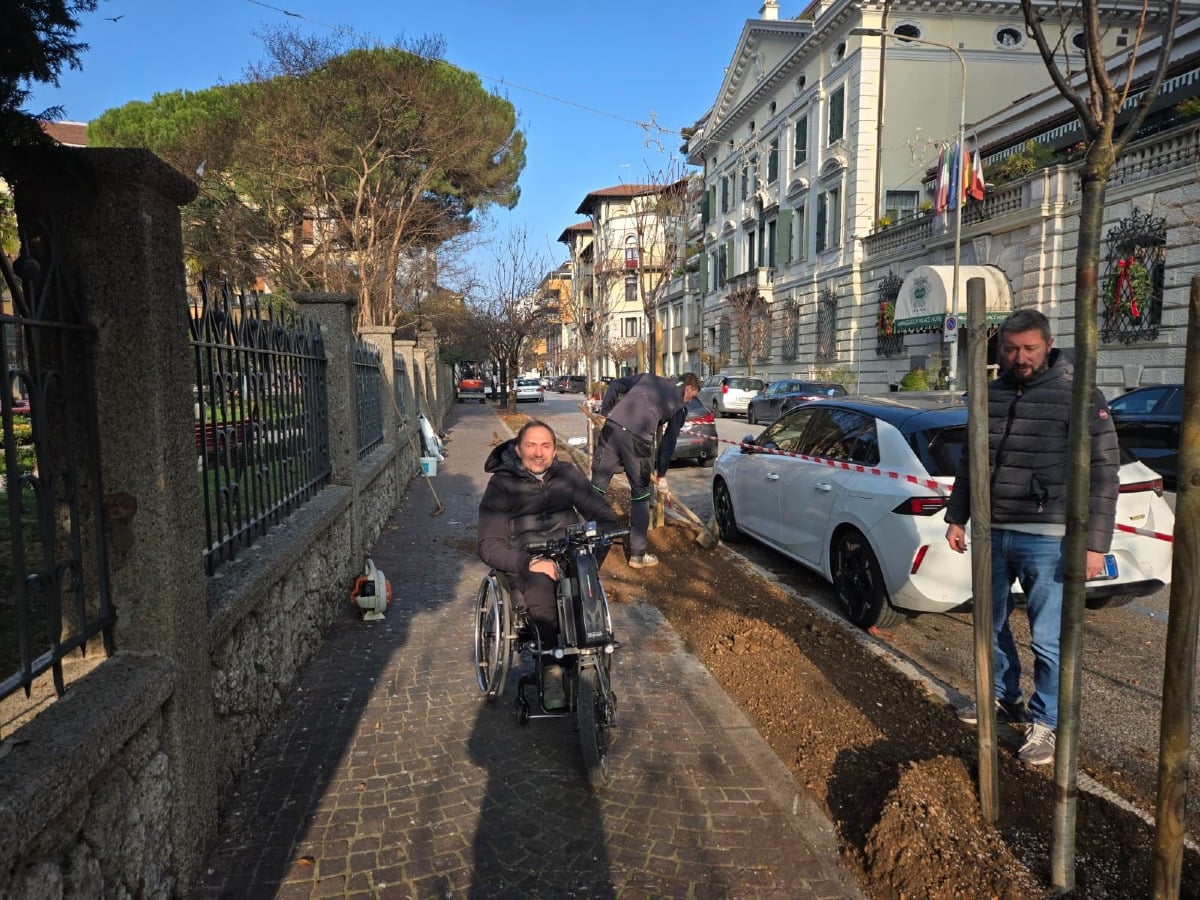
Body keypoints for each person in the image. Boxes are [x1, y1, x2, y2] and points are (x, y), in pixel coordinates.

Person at [944, 308, 1119, 766]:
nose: (1019, 357)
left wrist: (1096, 544)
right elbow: (971, 460)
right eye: (1011, 348)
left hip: (1050, 537)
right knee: (991, 622)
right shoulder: (990, 393)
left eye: (1029, 349)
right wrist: (957, 516)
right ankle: (1002, 697)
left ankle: (1047, 722)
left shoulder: (1077, 394)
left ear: (1047, 345)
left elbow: (1103, 471)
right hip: (991, 529)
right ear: (999, 348)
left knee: (1048, 637)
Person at [478, 420, 617, 708]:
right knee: (542, 588)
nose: (538, 453)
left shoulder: (566, 475)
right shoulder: (502, 484)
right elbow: (489, 544)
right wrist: (528, 562)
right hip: (526, 561)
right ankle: (551, 666)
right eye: (531, 445)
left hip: (568, 551)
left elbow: (602, 515)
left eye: (545, 446)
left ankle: (592, 656)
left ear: (555, 451)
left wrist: (592, 555)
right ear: (518, 449)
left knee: (584, 582)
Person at [590, 372, 702, 568]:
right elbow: (668, 443)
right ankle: (638, 555)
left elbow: (616, 385)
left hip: (611, 428)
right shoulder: (680, 407)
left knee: (597, 486)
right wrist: (661, 475)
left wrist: (605, 412)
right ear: (688, 388)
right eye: (691, 397)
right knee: (641, 495)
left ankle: (582, 537)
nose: (689, 401)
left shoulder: (648, 378)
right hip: (637, 440)